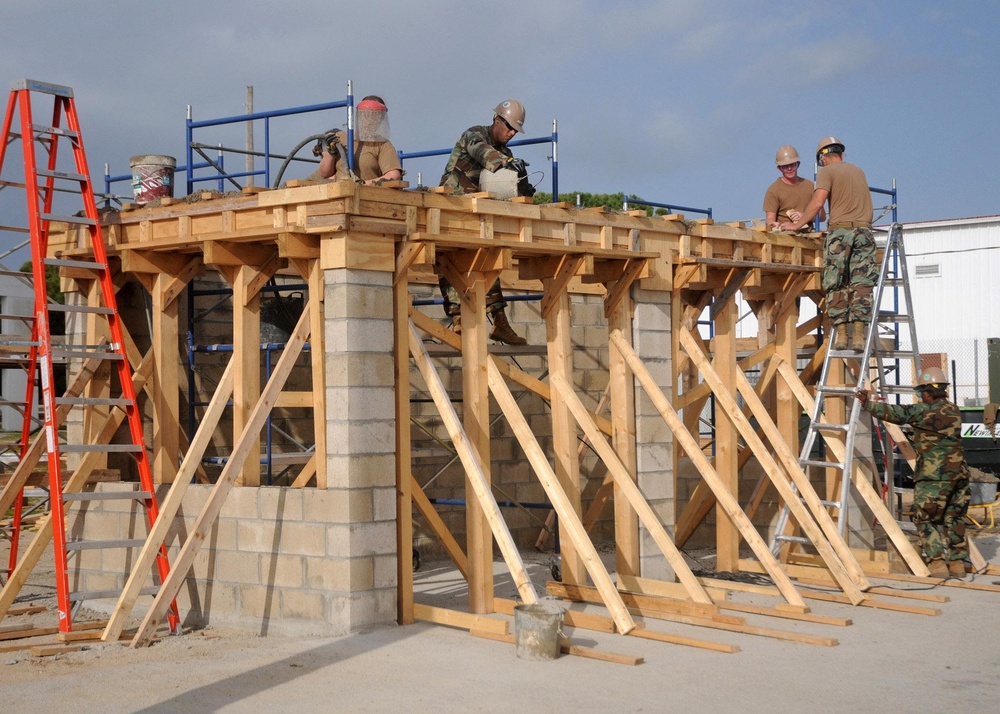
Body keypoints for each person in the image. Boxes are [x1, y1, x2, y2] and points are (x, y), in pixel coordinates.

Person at [856, 367, 971, 579]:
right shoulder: (954, 410)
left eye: (920, 393)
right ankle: (957, 563)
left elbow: (896, 413)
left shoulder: (921, 412)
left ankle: (937, 563)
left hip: (933, 477)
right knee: (954, 518)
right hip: (959, 476)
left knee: (926, 518)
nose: (920, 397)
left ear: (928, 392)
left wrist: (868, 403)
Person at [436, 100, 531, 346]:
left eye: (515, 131)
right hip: (452, 205)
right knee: (448, 259)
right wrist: (506, 164)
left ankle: (499, 321)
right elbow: (483, 153)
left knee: (489, 259)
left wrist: (523, 184)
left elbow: (509, 185)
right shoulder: (475, 135)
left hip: (477, 213)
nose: (511, 134)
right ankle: (457, 320)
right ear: (498, 120)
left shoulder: (506, 154)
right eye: (509, 127)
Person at [780, 137, 876, 352]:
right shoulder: (858, 171)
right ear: (841, 153)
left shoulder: (826, 172)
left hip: (841, 232)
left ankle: (841, 335)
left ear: (822, 157)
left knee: (836, 282)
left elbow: (817, 203)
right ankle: (859, 335)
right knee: (862, 283)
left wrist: (797, 225)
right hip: (864, 232)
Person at [307, 95, 403, 185]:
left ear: (381, 119)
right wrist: (331, 154)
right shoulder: (340, 138)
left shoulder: (383, 145)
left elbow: (393, 175)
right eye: (366, 114)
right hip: (338, 194)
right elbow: (324, 173)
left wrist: (363, 184)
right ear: (359, 116)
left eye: (375, 116)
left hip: (364, 197)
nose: (369, 120)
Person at [763, 145, 825, 230]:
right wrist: (773, 225)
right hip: (785, 239)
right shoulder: (773, 190)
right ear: (779, 168)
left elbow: (822, 216)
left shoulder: (810, 186)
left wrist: (804, 216)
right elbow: (770, 219)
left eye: (792, 165)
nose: (789, 168)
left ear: (798, 164)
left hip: (808, 238)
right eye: (785, 166)